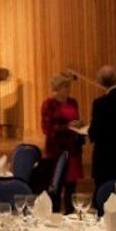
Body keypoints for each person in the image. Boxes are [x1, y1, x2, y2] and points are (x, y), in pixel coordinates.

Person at [40, 74, 83, 212]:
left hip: (73, 149)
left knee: (71, 187)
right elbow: (47, 128)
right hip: (57, 150)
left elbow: (75, 120)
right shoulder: (48, 104)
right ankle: (55, 216)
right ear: (56, 88)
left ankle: (70, 215)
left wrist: (79, 127)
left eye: (68, 87)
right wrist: (67, 127)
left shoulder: (73, 102)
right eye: (64, 87)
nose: (67, 90)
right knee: (56, 187)